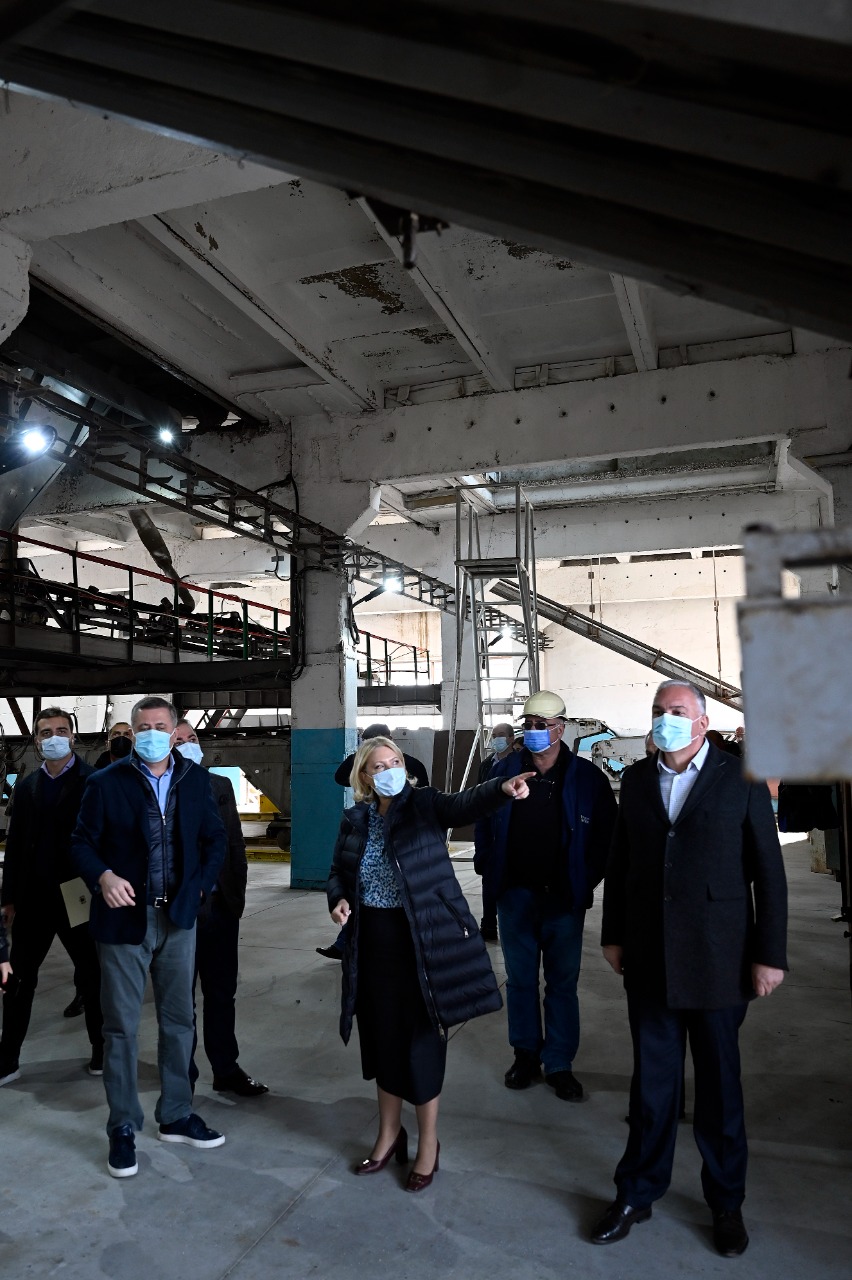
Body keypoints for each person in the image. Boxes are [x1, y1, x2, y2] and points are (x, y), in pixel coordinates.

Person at [592, 679, 788, 1258]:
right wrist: (613, 934)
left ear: (702, 722)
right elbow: (620, 862)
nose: (665, 719)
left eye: (677, 711)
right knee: (652, 1088)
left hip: (719, 959)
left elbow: (768, 871)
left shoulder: (739, 777)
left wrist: (770, 954)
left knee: (720, 1091)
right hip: (650, 956)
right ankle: (637, 1193)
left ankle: (726, 1203)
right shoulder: (636, 779)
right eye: (659, 711)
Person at [327, 736, 533, 1191]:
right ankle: (388, 1135)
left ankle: (429, 1143)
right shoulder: (355, 819)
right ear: (365, 777)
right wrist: (338, 899)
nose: (390, 770)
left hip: (423, 943)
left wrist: (501, 788)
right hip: (372, 943)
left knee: (421, 1043)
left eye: (395, 761)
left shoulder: (424, 805)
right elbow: (338, 871)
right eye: (379, 765)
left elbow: (464, 804)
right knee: (382, 1041)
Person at [71, 696, 228, 1179]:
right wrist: (102, 877)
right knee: (120, 1027)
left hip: (178, 918)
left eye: (161, 725)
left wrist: (200, 886)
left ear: (175, 730)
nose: (152, 733)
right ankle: (122, 1126)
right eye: (143, 727)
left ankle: (176, 1114)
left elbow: (215, 839)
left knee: (180, 1021)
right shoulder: (105, 783)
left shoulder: (194, 779)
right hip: (124, 922)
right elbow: (81, 842)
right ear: (133, 732)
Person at [477, 690, 617, 1102]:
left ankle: (558, 1063)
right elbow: (483, 818)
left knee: (561, 984)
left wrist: (585, 879)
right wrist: (488, 865)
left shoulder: (587, 778)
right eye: (529, 724)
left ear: (561, 728)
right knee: (520, 982)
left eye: (543, 725)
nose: (535, 731)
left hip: (563, 900)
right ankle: (525, 1055)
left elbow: (606, 836)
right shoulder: (503, 771)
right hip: (515, 897)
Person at [0, 707, 103, 1086]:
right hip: (34, 899)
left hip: (79, 895)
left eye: (61, 731)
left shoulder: (94, 782)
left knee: (92, 978)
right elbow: (15, 845)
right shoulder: (28, 787)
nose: (54, 737)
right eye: (46, 732)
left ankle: (101, 1050)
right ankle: (8, 1058)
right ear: (36, 740)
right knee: (18, 981)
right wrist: (9, 897)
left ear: (73, 736)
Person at [173, 719, 268, 1098]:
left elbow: (234, 844)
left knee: (221, 994)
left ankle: (226, 1070)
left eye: (192, 738)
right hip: (180, 913)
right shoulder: (159, 790)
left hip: (220, 908)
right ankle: (182, 1075)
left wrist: (236, 897)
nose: (187, 744)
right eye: (178, 740)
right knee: (180, 1000)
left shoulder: (219, 785)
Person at [318, 723, 431, 961]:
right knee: (361, 893)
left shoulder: (410, 765)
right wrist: (362, 756)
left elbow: (436, 799)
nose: (387, 770)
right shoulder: (358, 814)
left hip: (405, 836)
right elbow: (340, 776)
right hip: (370, 831)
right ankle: (346, 943)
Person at [473, 723, 517, 941]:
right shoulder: (487, 764)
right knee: (488, 877)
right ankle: (489, 923)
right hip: (489, 825)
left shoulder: (518, 763)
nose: (496, 739)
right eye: (494, 735)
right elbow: (479, 793)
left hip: (510, 827)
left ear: (511, 739)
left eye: (501, 735)